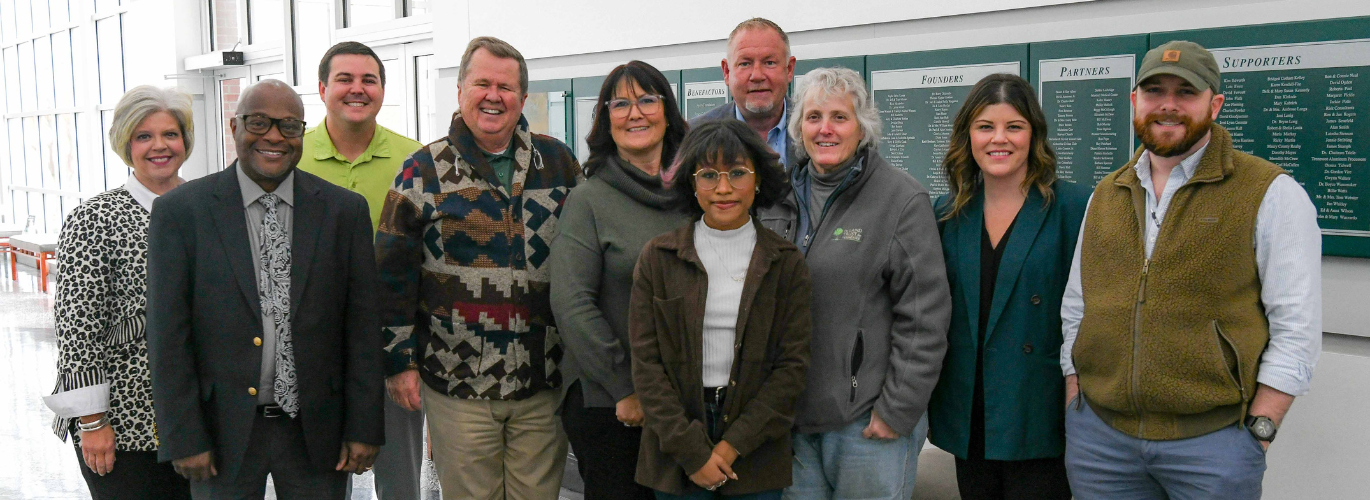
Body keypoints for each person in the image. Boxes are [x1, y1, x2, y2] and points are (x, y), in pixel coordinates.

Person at [1060, 40, 1322, 499]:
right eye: (1155, 90)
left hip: (1212, 446)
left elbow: (1296, 326)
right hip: (1101, 442)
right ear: (1134, 101)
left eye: (1186, 92)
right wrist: (1074, 391)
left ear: (1214, 104)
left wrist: (1260, 429)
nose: (1168, 105)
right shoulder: (1106, 193)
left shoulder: (1270, 193)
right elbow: (1078, 304)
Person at [145, 80, 386, 499]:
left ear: (302, 134)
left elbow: (363, 329)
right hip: (221, 433)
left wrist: (364, 426)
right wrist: (183, 436)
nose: (274, 136)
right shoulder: (182, 213)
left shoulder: (343, 212)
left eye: (289, 126)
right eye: (259, 122)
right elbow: (168, 337)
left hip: (317, 432)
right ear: (234, 126)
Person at [374, 36, 581, 500]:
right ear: (461, 91)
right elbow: (390, 277)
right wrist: (398, 363)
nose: (494, 96)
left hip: (541, 379)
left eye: (505, 87)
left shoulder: (560, 164)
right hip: (456, 382)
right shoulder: (420, 171)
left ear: (523, 98)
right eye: (481, 83)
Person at [758, 66, 951, 500]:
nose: (825, 129)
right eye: (813, 117)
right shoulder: (776, 197)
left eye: (839, 117)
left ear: (862, 126)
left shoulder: (901, 200)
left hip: (866, 426)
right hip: (791, 421)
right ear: (798, 127)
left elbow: (925, 318)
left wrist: (896, 412)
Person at [926, 73, 1088, 500]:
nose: (999, 139)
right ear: (968, 136)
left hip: (1039, 415)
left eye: (1013, 126)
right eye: (985, 127)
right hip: (969, 413)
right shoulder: (944, 213)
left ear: (1033, 134)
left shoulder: (1074, 207)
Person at [630, 119, 811, 499]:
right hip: (676, 444)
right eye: (709, 174)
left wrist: (731, 446)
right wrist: (694, 454)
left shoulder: (785, 262)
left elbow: (791, 368)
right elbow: (647, 365)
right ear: (691, 183)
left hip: (755, 444)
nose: (724, 188)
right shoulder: (659, 258)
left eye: (738, 173)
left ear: (758, 179)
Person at [42, 85, 195, 500]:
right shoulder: (95, 218)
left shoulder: (208, 208)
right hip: (124, 424)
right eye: (144, 136)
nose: (159, 146)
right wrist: (93, 423)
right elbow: (77, 331)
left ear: (186, 141)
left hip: (199, 420)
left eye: (170, 134)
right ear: (125, 144)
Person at [549, 60, 692, 500]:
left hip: (685, 401)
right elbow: (572, 304)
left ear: (667, 112)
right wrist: (625, 389)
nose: (635, 113)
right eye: (621, 103)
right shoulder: (589, 200)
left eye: (647, 100)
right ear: (605, 119)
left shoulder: (697, 191)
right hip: (612, 403)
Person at [296, 41, 426, 500]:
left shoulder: (417, 161)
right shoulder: (289, 158)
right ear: (321, 89)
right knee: (320, 480)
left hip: (393, 345)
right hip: (313, 350)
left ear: (383, 90)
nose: (357, 89)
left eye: (368, 80)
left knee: (402, 482)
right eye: (344, 79)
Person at [691, 17, 797, 171]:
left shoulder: (818, 130)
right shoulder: (692, 135)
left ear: (789, 69)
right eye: (745, 63)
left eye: (769, 63)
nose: (757, 75)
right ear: (727, 72)